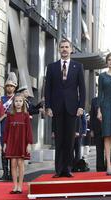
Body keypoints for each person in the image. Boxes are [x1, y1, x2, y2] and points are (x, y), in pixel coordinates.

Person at [45, 39, 86, 178]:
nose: (64, 49)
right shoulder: (51, 67)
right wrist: (48, 106)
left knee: (69, 140)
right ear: (59, 49)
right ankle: (58, 170)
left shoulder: (78, 66)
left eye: (66, 47)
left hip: (72, 108)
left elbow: (83, 88)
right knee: (59, 140)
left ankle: (68, 169)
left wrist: (81, 106)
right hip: (56, 108)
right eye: (62, 47)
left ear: (71, 49)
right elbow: (48, 89)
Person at [3, 93, 33, 194]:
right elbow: (6, 130)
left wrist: (29, 143)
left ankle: (20, 186)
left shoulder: (26, 115)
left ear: (23, 102)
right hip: (12, 142)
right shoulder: (10, 115)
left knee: (20, 164)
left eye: (20, 101)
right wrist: (5, 143)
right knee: (13, 164)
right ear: (13, 103)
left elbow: (29, 130)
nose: (18, 103)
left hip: (22, 142)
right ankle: (14, 186)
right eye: (16, 101)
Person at [0, 72, 18, 181]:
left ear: (15, 87)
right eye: (8, 86)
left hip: (14, 128)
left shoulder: (17, 99)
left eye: (11, 86)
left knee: (12, 151)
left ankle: (12, 173)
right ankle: (5, 173)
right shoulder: (1, 99)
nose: (9, 88)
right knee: (3, 150)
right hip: (2, 127)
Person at [90, 96, 106, 171]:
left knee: (108, 149)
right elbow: (92, 116)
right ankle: (100, 167)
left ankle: (109, 166)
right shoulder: (94, 101)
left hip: (107, 128)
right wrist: (92, 130)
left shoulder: (109, 98)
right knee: (99, 149)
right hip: (97, 128)